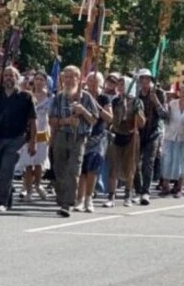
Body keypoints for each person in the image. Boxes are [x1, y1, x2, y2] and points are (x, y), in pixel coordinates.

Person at [49, 65, 98, 217]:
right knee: (59, 168)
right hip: (62, 136)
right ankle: (61, 197)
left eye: (72, 77)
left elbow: (94, 119)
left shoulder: (86, 97)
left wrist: (83, 111)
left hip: (79, 138)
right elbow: (52, 120)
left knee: (73, 169)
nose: (69, 80)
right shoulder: (58, 97)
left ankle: (67, 203)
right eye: (66, 77)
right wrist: (67, 121)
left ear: (78, 79)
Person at [0, 66, 36, 212]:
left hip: (16, 138)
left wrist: (32, 141)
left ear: (16, 77)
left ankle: (1, 201)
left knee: (6, 169)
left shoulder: (25, 97)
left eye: (11, 75)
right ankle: (6, 197)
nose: (8, 78)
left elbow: (33, 121)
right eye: (6, 75)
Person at [104, 75, 143, 208]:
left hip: (131, 137)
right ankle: (111, 196)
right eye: (119, 85)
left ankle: (127, 195)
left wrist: (137, 113)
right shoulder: (115, 101)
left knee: (130, 167)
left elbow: (141, 122)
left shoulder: (137, 102)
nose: (120, 87)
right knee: (113, 167)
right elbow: (113, 118)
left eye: (122, 85)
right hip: (117, 135)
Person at [75, 72, 112, 211]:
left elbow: (109, 118)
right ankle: (80, 199)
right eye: (90, 80)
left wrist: (97, 105)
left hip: (98, 137)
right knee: (82, 169)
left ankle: (89, 199)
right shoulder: (81, 95)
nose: (92, 83)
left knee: (92, 169)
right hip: (83, 135)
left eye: (95, 81)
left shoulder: (103, 98)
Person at [134, 69, 168, 205]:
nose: (144, 82)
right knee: (135, 163)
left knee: (148, 163)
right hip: (138, 133)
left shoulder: (159, 94)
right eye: (142, 79)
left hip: (153, 132)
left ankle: (146, 192)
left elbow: (164, 115)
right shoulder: (136, 95)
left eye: (147, 79)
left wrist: (156, 102)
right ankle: (138, 190)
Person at [17, 71, 51, 202]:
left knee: (38, 162)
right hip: (29, 132)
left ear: (45, 82)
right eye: (37, 79)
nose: (39, 82)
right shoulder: (28, 96)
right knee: (28, 162)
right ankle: (28, 191)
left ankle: (37, 185)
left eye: (42, 79)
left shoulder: (50, 97)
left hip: (43, 131)